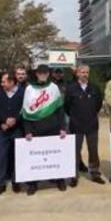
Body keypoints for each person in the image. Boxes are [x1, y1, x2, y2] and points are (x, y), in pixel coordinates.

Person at [22, 65, 68, 195]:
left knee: (56, 157)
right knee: (35, 159)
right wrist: (27, 130)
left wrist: (62, 127)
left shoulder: (54, 88)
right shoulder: (29, 89)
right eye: (40, 73)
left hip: (53, 127)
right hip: (36, 128)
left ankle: (59, 180)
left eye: (45, 73)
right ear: (36, 74)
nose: (42, 75)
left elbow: (60, 109)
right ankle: (33, 184)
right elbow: (25, 111)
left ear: (48, 74)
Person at [64, 64, 105, 187]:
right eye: (82, 72)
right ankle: (74, 176)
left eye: (86, 72)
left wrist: (91, 114)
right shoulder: (71, 89)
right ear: (77, 73)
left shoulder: (95, 88)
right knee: (75, 151)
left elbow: (98, 105)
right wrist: (75, 117)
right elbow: (66, 107)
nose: (84, 74)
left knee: (93, 151)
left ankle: (95, 173)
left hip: (92, 125)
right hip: (76, 125)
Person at [0, 72, 24, 195]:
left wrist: (15, 119)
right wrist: (4, 120)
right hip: (3, 130)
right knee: (2, 157)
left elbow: (24, 109)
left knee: (17, 156)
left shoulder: (22, 92)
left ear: (11, 82)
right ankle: (1, 183)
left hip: (17, 129)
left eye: (4, 81)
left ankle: (16, 181)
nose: (1, 84)